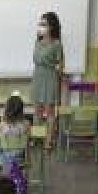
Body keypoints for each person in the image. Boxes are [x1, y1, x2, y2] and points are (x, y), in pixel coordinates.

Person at [32, 12, 64, 151]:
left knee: (50, 112)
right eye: (41, 23)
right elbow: (36, 60)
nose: (41, 26)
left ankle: (48, 140)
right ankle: (36, 138)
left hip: (50, 78)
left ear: (51, 26)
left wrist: (56, 74)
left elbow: (61, 65)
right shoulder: (37, 42)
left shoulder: (57, 44)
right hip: (38, 77)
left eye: (44, 24)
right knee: (37, 111)